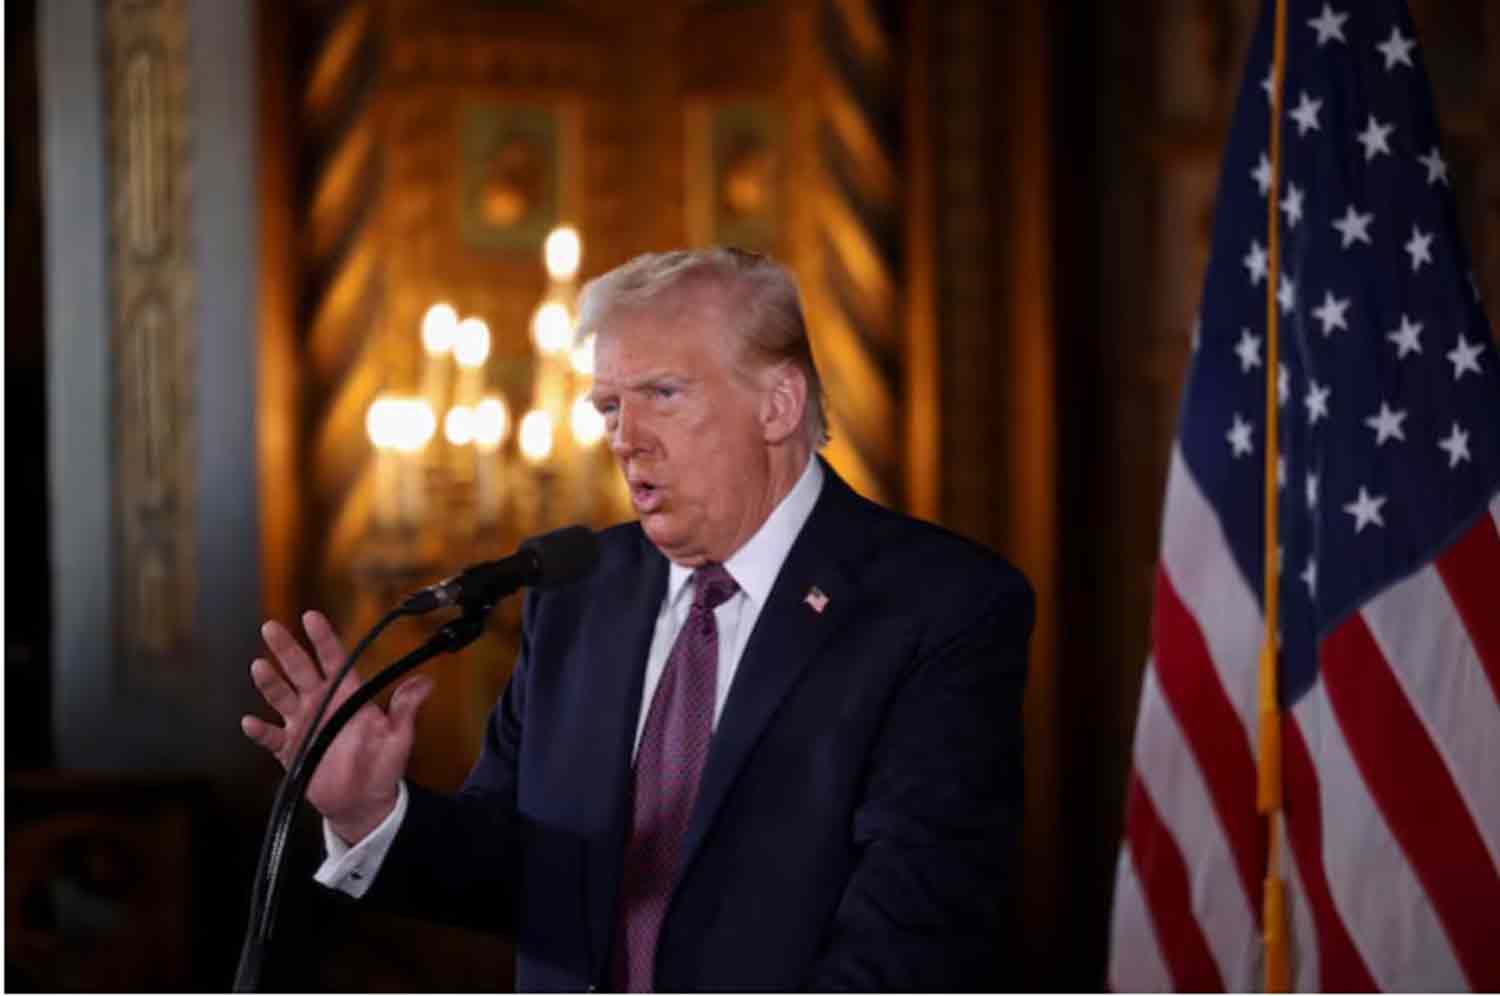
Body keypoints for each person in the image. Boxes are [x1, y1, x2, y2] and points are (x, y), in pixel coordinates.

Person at [242, 247, 1033, 992]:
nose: (626, 439)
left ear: (779, 403)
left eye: (663, 394)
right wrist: (368, 810)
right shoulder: (579, 593)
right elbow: (516, 878)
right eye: (609, 405)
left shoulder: (940, 605)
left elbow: (914, 932)